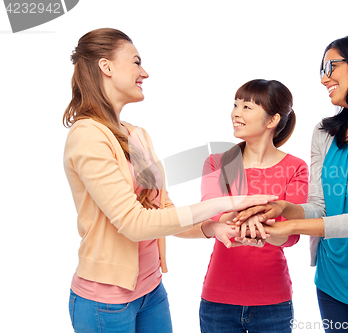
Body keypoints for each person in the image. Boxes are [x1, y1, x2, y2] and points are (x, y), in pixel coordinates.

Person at [63, 28, 277, 333]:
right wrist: (226, 202)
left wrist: (210, 227)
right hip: (106, 302)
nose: (144, 72)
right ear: (105, 67)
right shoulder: (88, 136)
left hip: (151, 292)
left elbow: (161, 212)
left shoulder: (136, 135)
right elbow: (133, 223)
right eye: (136, 62)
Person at [234, 35, 348, 332]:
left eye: (331, 66)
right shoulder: (324, 132)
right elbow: (320, 206)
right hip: (331, 283)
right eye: (322, 70)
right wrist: (286, 209)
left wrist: (291, 226)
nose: (325, 78)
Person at [177, 79, 309, 333]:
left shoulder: (295, 167)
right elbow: (211, 211)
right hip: (218, 301)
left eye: (247, 107)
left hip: (273, 301)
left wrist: (241, 219)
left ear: (272, 120)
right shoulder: (217, 162)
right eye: (235, 104)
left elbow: (292, 235)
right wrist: (262, 220)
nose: (235, 113)